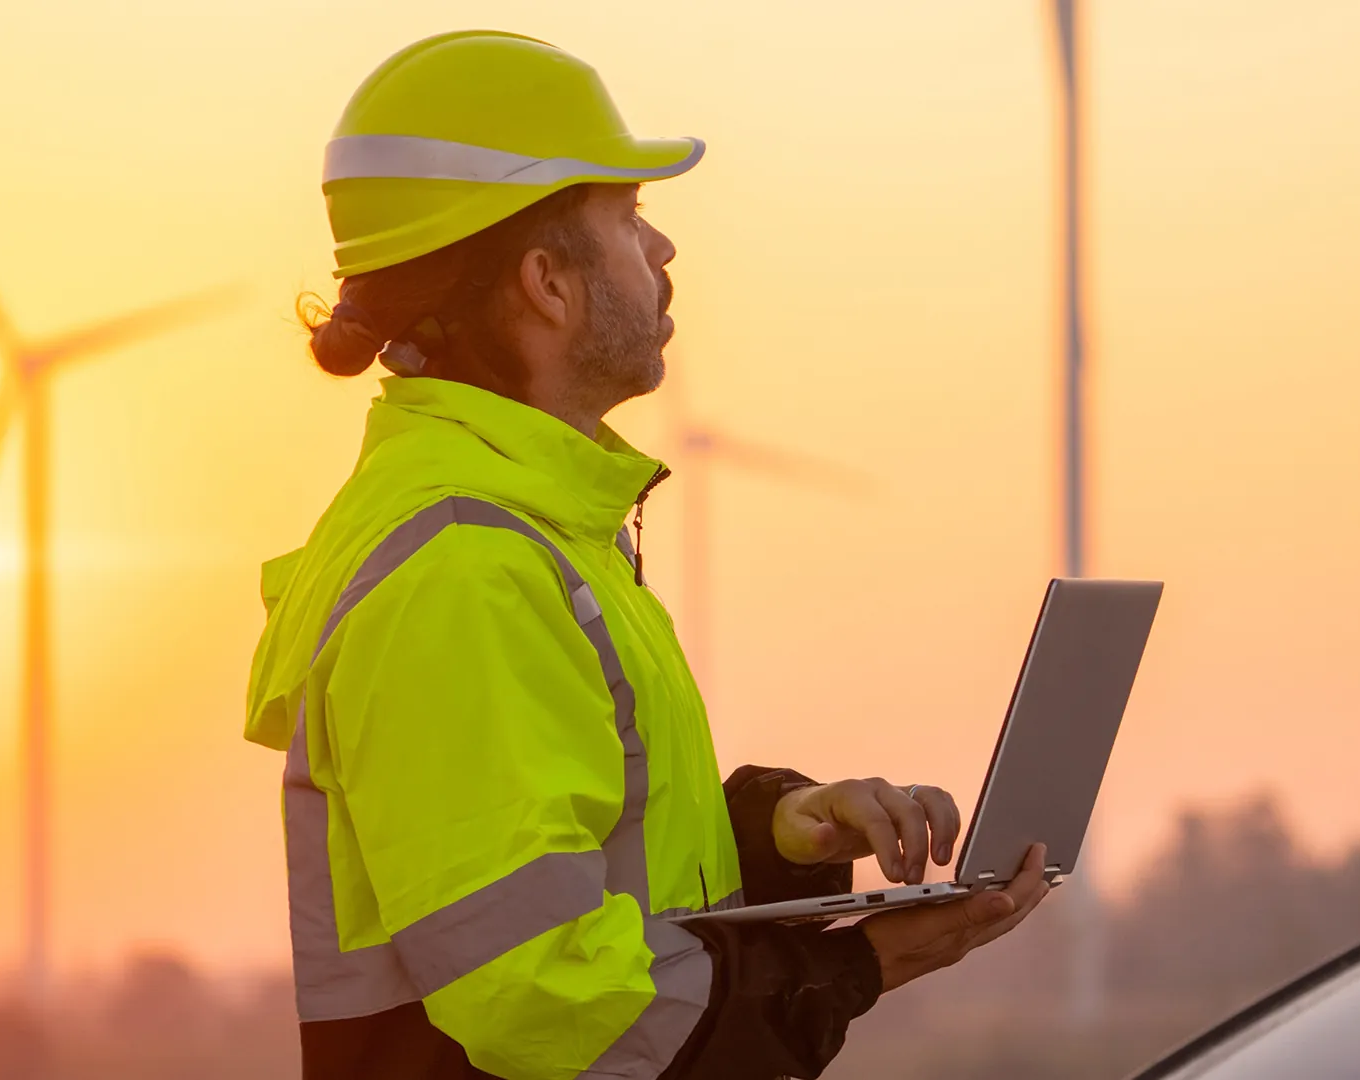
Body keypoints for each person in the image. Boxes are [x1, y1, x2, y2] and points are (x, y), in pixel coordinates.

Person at [244, 30, 1052, 1080]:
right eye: (627, 216)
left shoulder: (524, 535)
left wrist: (782, 833)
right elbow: (548, 1000)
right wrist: (860, 968)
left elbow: (592, 886)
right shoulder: (463, 572)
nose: (662, 249)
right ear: (547, 281)